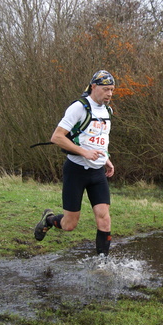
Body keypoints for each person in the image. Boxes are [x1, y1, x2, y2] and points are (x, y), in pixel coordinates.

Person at [34, 70, 116, 256]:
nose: (110, 94)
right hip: (76, 171)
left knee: (104, 219)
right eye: (106, 89)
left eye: (112, 90)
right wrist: (84, 153)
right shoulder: (79, 108)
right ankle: (49, 220)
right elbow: (57, 137)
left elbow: (98, 138)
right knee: (70, 225)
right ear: (93, 87)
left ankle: (101, 265)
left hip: (97, 173)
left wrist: (106, 159)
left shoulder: (108, 111)